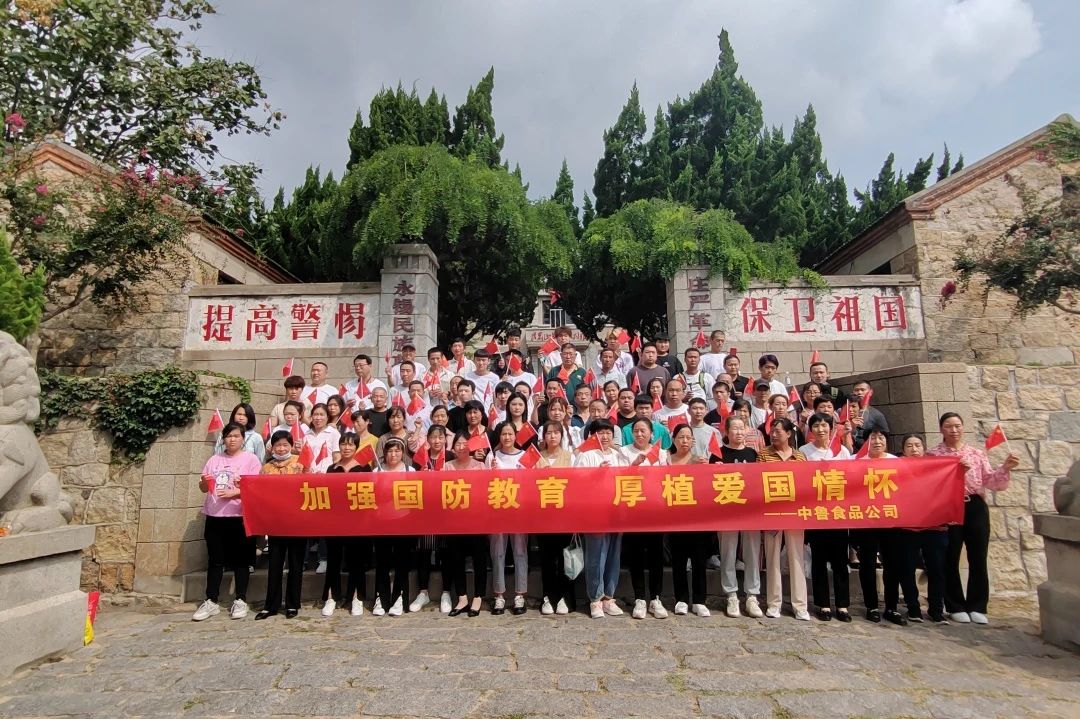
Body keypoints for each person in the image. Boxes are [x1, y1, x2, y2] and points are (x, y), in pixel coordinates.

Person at [928, 412, 1018, 625]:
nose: (954, 430)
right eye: (949, 426)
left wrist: (1005, 468)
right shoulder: (933, 455)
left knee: (978, 556)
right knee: (950, 556)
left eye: (957, 425)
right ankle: (955, 605)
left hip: (975, 505)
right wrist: (955, 472)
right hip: (949, 506)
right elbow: (930, 484)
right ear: (941, 429)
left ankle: (977, 605)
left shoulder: (976, 454)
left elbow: (992, 482)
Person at [192, 422, 262, 622]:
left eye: (236, 436)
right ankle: (211, 600)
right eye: (228, 436)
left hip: (239, 516)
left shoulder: (251, 460)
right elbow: (203, 488)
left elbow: (255, 487)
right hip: (215, 516)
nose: (232, 439)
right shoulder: (214, 459)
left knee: (241, 560)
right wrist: (204, 483)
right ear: (223, 438)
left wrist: (235, 493)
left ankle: (240, 599)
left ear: (243, 439)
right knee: (215, 560)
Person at [799, 413, 853, 623]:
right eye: (816, 426)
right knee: (819, 560)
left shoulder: (842, 451)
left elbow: (852, 478)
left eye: (824, 425)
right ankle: (822, 604)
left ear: (831, 428)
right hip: (816, 513)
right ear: (810, 430)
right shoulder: (804, 451)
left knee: (840, 560)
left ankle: (842, 605)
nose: (821, 429)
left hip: (838, 513)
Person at [860, 428, 914, 626]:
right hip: (866, 520)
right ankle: (871, 606)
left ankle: (891, 607)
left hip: (891, 519)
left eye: (880, 437)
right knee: (867, 563)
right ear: (866, 442)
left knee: (892, 563)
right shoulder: (858, 463)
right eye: (872, 438)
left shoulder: (896, 462)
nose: (877, 441)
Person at [574, 419, 627, 618]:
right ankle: (595, 598)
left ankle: (608, 597)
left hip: (616, 510)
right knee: (596, 555)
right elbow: (576, 482)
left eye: (608, 433)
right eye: (600, 432)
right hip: (594, 512)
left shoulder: (618, 455)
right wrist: (596, 474)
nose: (604, 436)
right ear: (592, 435)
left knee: (613, 554)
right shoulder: (586, 455)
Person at [758, 418, 810, 621]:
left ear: (789, 434)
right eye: (772, 431)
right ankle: (774, 603)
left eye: (778, 431)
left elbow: (806, 483)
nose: (773, 434)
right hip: (772, 512)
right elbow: (757, 481)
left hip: (795, 512)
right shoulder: (764, 454)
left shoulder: (800, 456)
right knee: (772, 558)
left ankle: (800, 605)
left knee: (796, 557)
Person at [255, 430, 308, 621]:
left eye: (285, 445)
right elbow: (259, 492)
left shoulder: (300, 464)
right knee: (275, 565)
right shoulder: (266, 468)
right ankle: (271, 605)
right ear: (272, 447)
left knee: (295, 564)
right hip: (275, 522)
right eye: (278, 445)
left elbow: (310, 486)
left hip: (297, 521)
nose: (282, 448)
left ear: (291, 445)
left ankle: (293, 604)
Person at [715, 416, 764, 618]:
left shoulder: (753, 454)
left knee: (752, 552)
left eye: (742, 428)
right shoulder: (717, 454)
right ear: (726, 432)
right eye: (734, 428)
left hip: (750, 512)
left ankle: (752, 595)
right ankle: (731, 594)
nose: (738, 432)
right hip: (726, 511)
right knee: (728, 552)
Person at [620, 418, 669, 620]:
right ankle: (639, 597)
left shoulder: (661, 453)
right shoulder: (624, 452)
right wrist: (633, 466)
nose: (639, 434)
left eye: (643, 431)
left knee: (656, 555)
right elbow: (617, 478)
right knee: (636, 555)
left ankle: (656, 598)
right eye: (636, 431)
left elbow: (667, 479)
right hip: (633, 511)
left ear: (651, 433)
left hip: (655, 511)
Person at [322, 433, 373, 617]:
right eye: (343, 444)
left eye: (351, 445)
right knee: (333, 559)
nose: (346, 448)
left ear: (356, 447)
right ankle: (331, 597)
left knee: (356, 560)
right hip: (335, 520)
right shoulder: (332, 468)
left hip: (357, 520)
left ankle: (356, 597)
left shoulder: (364, 468)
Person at [901, 433, 949, 624]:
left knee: (937, 569)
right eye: (909, 446)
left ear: (924, 448)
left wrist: (960, 470)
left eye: (917, 445)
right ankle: (913, 608)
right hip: (908, 528)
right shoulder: (896, 469)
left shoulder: (936, 468)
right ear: (903, 450)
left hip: (934, 527)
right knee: (907, 569)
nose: (914, 449)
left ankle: (936, 610)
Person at [667, 423, 712, 617]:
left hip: (697, 518)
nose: (684, 441)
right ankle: (681, 599)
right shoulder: (666, 460)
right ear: (674, 440)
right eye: (681, 437)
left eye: (688, 437)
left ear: (693, 440)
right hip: (674, 518)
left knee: (699, 560)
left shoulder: (700, 460)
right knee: (678, 560)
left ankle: (700, 600)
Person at [443, 432, 488, 617]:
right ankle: (462, 597)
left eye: (464, 444)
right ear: (453, 447)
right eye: (458, 444)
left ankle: (478, 597)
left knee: (479, 559)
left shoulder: (480, 466)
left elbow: (487, 489)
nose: (461, 447)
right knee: (456, 558)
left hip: (476, 520)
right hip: (454, 521)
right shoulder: (447, 466)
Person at [409, 425, 452, 615]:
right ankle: (423, 592)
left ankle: (446, 592)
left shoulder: (450, 457)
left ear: (445, 439)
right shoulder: (420, 457)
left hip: (445, 510)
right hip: (425, 510)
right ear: (428, 439)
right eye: (433, 437)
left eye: (440, 437)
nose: (437, 441)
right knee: (424, 550)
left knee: (445, 551)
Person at [488, 422, 529, 615]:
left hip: (519, 511)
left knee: (520, 551)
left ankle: (520, 594)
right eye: (503, 434)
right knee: (497, 552)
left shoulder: (524, 456)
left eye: (510, 434)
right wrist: (491, 472)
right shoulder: (492, 456)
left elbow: (530, 482)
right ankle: (499, 595)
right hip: (497, 511)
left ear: (515, 435)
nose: (507, 437)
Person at [372, 438, 413, 616]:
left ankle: (399, 598)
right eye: (389, 451)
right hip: (382, 521)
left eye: (397, 451)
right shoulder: (377, 471)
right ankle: (381, 598)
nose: (393, 454)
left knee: (402, 561)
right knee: (382, 561)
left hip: (404, 521)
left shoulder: (410, 471)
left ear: (402, 453)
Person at [537, 421, 573, 615]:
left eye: (556, 433)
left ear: (561, 435)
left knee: (564, 558)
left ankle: (563, 597)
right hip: (542, 516)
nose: (552, 436)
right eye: (548, 433)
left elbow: (576, 484)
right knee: (547, 559)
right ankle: (547, 597)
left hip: (564, 516)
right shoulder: (536, 457)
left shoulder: (570, 456)